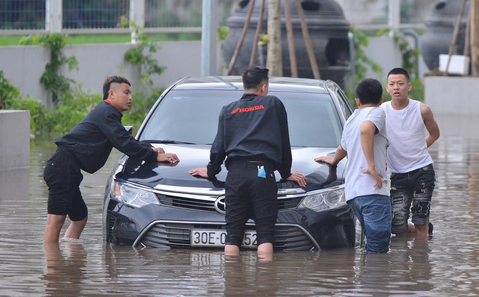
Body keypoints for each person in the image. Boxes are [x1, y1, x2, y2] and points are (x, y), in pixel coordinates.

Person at [43, 75, 179, 243]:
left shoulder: (107, 114)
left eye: (130, 93)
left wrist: (150, 149)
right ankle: (53, 266)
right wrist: (155, 155)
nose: (130, 98)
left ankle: (70, 259)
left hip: (68, 170)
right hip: (61, 168)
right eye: (126, 92)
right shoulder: (106, 112)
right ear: (111, 94)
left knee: (80, 218)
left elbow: (125, 139)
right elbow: (125, 144)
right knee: (55, 220)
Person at [189, 65, 306, 260]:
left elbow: (219, 146)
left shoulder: (228, 110)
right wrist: (286, 173)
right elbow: (284, 142)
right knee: (265, 234)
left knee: (233, 235)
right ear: (264, 87)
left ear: (243, 86)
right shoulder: (273, 104)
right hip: (263, 173)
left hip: (235, 175)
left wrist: (211, 171)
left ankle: (233, 284)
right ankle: (264, 284)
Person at [314, 78, 391, 253]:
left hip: (354, 194)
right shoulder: (377, 113)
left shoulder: (351, 120)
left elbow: (343, 148)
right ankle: (374, 279)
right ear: (381, 101)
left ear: (357, 100)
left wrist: (334, 160)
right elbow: (366, 130)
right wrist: (371, 166)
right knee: (379, 250)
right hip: (373, 190)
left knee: (370, 244)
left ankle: (365, 279)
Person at [382, 67, 440, 240]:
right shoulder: (381, 111)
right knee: (397, 226)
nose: (396, 88)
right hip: (398, 174)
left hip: (423, 170)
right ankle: (421, 233)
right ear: (387, 88)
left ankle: (420, 263)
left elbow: (435, 134)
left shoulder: (422, 110)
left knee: (420, 219)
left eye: (400, 83)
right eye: (392, 84)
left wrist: (419, 148)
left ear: (409, 86)